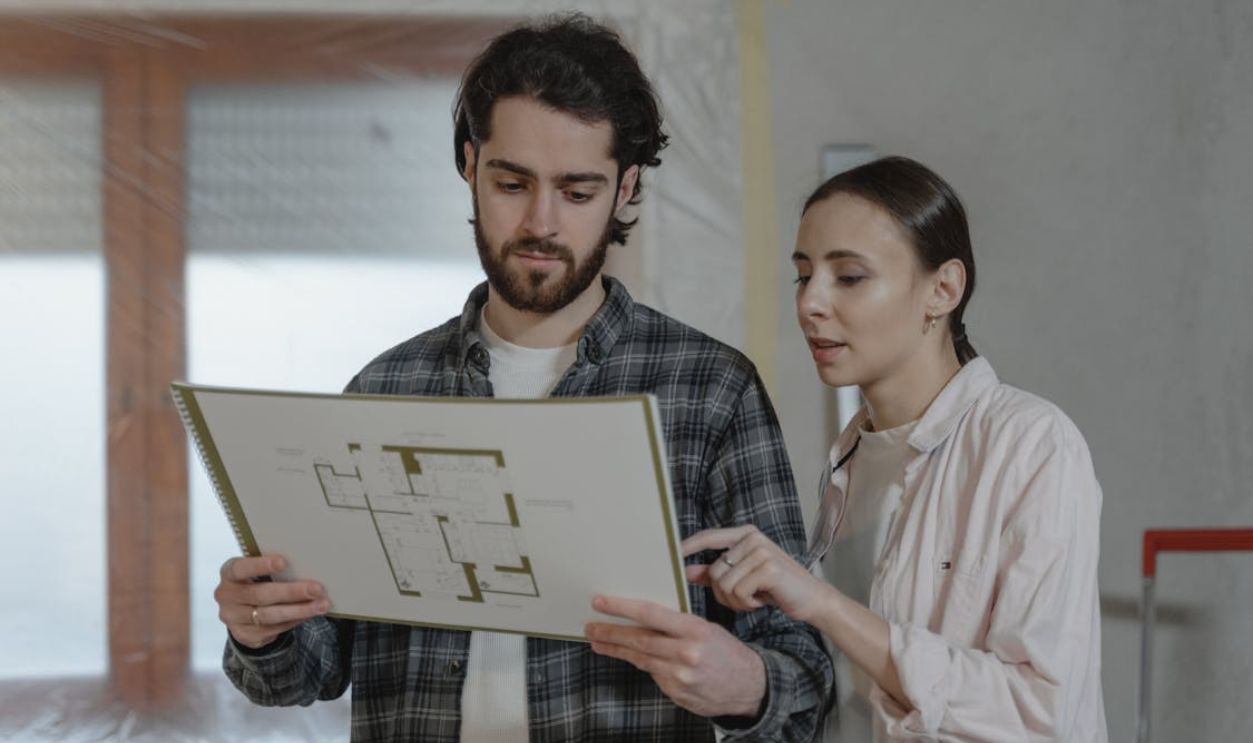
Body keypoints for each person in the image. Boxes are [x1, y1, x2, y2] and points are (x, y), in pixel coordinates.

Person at [212, 14, 832, 742]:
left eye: (576, 192)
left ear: (625, 187)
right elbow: (308, 674)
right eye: (512, 182)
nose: (541, 223)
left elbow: (804, 684)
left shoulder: (710, 389)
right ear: (469, 165)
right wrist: (261, 628)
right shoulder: (385, 388)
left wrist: (743, 683)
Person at [678, 157, 1107, 741]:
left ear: (943, 289)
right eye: (803, 275)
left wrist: (821, 604)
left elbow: (1035, 711)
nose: (810, 304)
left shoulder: (1030, 443)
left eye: (849, 277)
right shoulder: (852, 453)